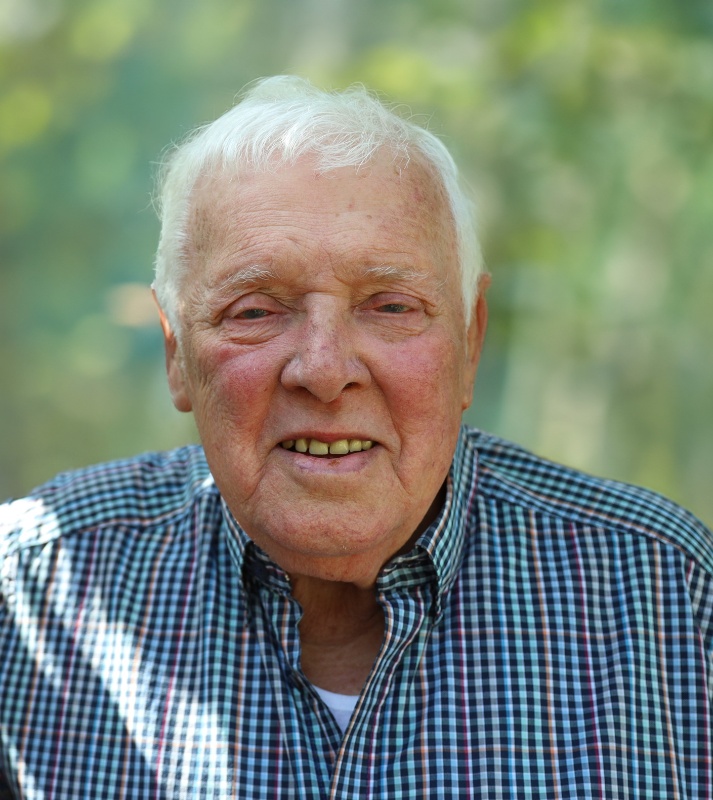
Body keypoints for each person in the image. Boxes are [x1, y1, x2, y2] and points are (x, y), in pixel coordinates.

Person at [1, 75, 711, 799]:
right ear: (175, 351)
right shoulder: (29, 591)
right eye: (255, 311)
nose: (323, 369)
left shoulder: (669, 597)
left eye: (390, 306)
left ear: (470, 341)